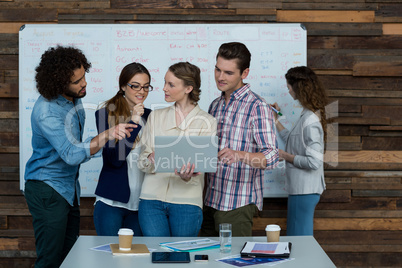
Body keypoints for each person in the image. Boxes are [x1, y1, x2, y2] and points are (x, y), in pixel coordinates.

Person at [24, 46, 136, 268]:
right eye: (77, 82)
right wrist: (106, 135)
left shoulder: (72, 99)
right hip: (48, 189)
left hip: (68, 189)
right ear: (58, 84)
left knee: (69, 257)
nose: (84, 83)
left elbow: (77, 147)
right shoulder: (47, 111)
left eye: (83, 76)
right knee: (49, 259)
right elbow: (72, 154)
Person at [201, 42, 279, 237]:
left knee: (233, 262)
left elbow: (272, 157)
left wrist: (240, 155)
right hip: (209, 199)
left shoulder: (257, 107)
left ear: (244, 73)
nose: (220, 77)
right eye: (217, 70)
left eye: (228, 72)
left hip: (237, 203)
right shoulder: (215, 105)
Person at [137, 62, 217, 237]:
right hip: (151, 201)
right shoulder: (155, 117)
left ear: (188, 88)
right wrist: (151, 158)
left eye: (171, 84)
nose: (164, 88)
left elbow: (203, 164)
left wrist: (188, 175)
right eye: (165, 82)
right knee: (157, 257)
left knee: (180, 259)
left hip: (187, 202)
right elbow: (142, 161)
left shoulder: (208, 121)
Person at [93, 62, 152, 236]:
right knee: (109, 259)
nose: (141, 91)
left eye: (146, 87)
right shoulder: (106, 113)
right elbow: (115, 159)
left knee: (136, 260)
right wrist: (133, 121)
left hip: (140, 204)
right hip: (111, 203)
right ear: (122, 86)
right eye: (135, 86)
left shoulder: (149, 116)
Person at [271, 66, 328, 236]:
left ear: (298, 89)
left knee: (300, 241)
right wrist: (277, 118)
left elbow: (314, 161)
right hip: (301, 191)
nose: (288, 92)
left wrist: (284, 155)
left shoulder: (310, 119)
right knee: (298, 239)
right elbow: (291, 138)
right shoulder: (306, 115)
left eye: (289, 88)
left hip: (304, 191)